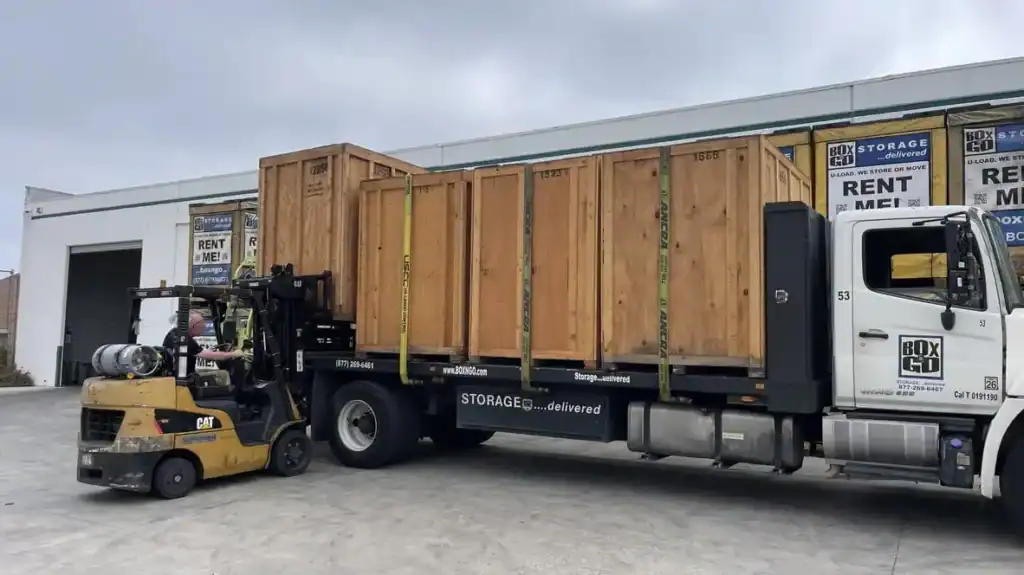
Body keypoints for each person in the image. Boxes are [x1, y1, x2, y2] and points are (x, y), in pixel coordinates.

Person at [162, 311, 245, 375]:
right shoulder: (184, 339)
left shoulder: (175, 334)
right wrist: (233, 354)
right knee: (223, 375)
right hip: (186, 377)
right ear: (193, 325)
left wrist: (207, 351)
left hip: (179, 374)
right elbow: (210, 356)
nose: (204, 327)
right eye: (202, 325)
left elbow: (195, 352)